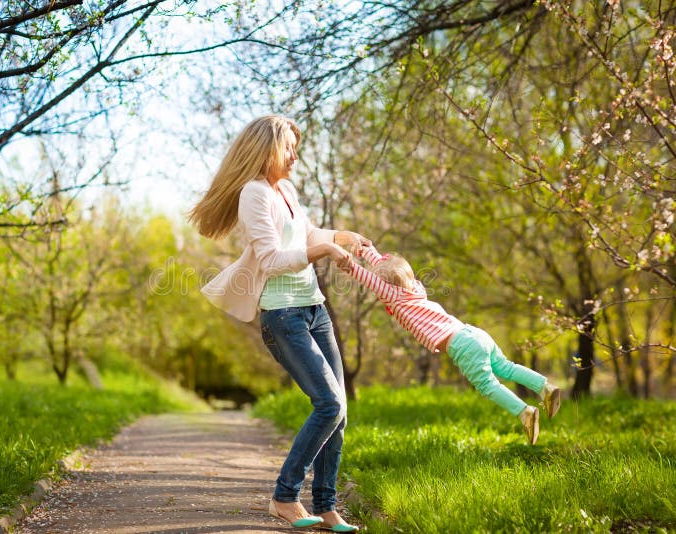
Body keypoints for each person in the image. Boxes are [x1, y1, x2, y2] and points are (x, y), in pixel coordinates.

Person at [189, 115, 365, 531]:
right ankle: (284, 497)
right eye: (289, 146)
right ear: (267, 148)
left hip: (314, 309)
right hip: (283, 314)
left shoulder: (284, 188)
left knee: (339, 414)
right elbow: (270, 259)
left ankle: (326, 507)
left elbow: (304, 234)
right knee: (330, 403)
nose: (295, 155)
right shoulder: (253, 194)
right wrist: (323, 252)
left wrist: (342, 236)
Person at [341, 244, 561, 445]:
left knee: (487, 385)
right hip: (473, 333)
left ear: (386, 287)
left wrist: (349, 264)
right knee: (506, 367)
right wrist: (366, 249)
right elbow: (388, 268)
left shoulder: (394, 297)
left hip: (461, 345)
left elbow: (369, 279)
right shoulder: (416, 289)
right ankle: (545, 388)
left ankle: (524, 412)